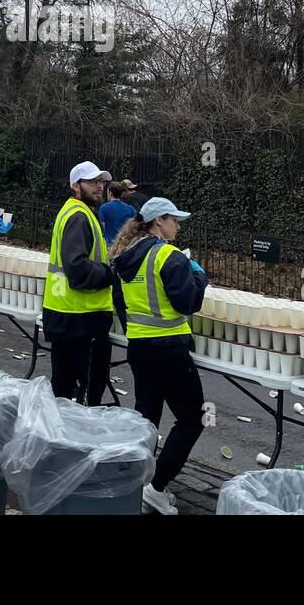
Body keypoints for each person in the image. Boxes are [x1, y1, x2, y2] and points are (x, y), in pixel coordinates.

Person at [109, 196, 208, 516]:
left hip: (139, 347)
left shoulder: (125, 256)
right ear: (158, 222)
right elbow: (188, 303)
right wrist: (199, 277)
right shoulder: (168, 256)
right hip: (170, 349)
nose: (178, 225)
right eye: (174, 220)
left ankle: (137, 484)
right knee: (193, 419)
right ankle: (157, 487)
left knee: (146, 418)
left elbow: (120, 303)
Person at [45, 160, 118, 406]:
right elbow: (77, 269)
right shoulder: (79, 216)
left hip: (66, 315)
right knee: (85, 399)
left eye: (101, 182)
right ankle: (76, 441)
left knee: (63, 393)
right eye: (93, 182)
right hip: (82, 320)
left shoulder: (74, 212)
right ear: (76, 186)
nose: (100, 187)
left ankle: (59, 440)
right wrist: (110, 274)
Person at [98, 179, 139, 245]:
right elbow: (135, 226)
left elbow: (102, 227)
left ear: (110, 193)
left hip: (109, 245)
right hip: (125, 245)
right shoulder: (131, 208)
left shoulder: (104, 208)